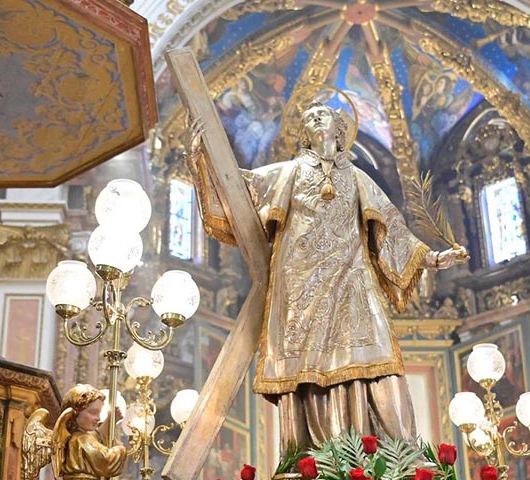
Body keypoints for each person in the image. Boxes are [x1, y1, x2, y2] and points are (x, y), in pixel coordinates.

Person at [190, 100, 467, 453]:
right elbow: (239, 188)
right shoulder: (289, 172)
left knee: (378, 361)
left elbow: (392, 229)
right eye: (309, 116)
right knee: (309, 373)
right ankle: (317, 458)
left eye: (323, 114)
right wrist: (203, 160)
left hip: (353, 282)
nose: (316, 117)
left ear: (339, 131)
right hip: (302, 288)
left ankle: (397, 456)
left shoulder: (357, 177)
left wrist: (434, 258)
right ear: (304, 135)